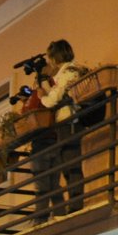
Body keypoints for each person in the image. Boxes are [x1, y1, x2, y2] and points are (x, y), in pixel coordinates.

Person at [31, 39, 87, 220]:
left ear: (55, 57)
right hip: (68, 123)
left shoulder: (69, 72)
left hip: (70, 122)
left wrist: (42, 96)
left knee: (72, 165)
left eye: (49, 57)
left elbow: (52, 101)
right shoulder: (70, 72)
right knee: (68, 166)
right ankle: (74, 203)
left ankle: (76, 205)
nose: (49, 62)